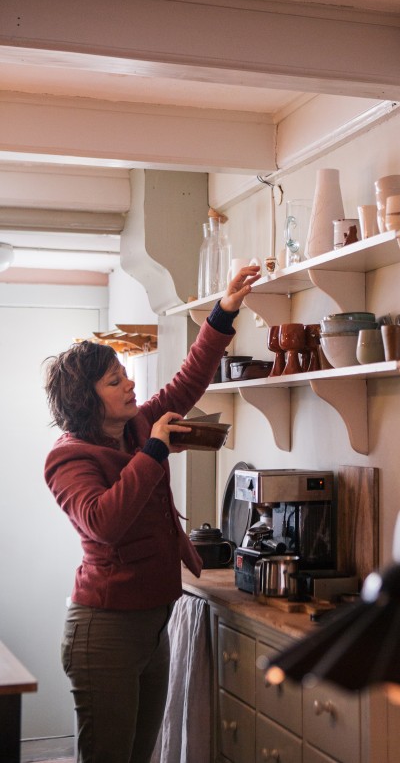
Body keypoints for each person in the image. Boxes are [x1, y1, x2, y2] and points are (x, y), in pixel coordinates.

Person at [43, 265, 260, 763]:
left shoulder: (137, 427)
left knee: (140, 756)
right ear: (85, 398)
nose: (129, 385)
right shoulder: (70, 457)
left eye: (125, 375)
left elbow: (189, 379)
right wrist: (155, 453)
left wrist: (224, 311)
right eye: (115, 380)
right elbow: (103, 522)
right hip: (105, 630)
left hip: (154, 619)